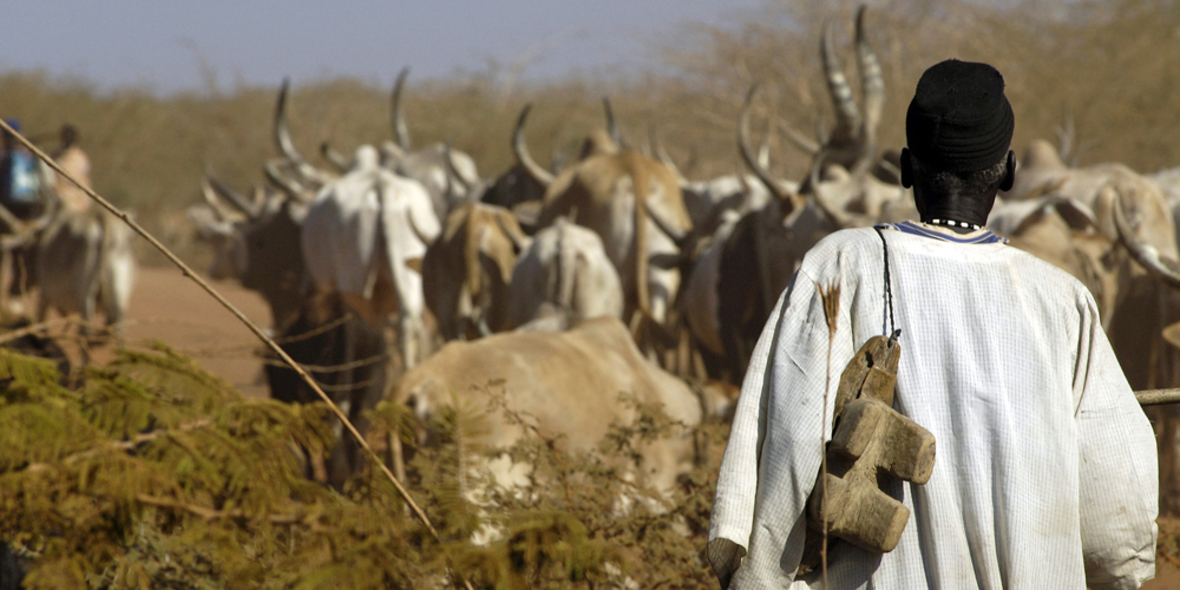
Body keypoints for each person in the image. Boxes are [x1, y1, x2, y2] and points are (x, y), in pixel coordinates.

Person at [707, 60, 1158, 589]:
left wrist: (759, 577)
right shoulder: (1064, 301)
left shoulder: (841, 266)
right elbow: (1117, 525)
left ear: (905, 168)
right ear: (1009, 173)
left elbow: (790, 444)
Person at [51, 123, 93, 213]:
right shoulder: (55, 156)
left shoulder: (79, 158)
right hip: (58, 201)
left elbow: (82, 181)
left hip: (74, 203)